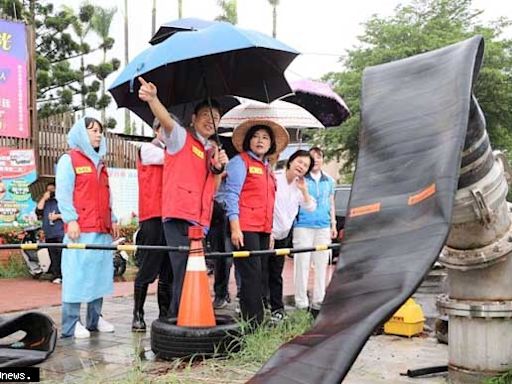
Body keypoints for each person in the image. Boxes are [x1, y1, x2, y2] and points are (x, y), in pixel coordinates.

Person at [138, 77, 228, 317]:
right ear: (193, 119)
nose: (212, 120)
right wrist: (153, 99)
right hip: (179, 215)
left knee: (194, 270)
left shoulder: (212, 150)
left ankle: (188, 315)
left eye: (216, 118)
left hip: (200, 220)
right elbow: (166, 121)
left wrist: (218, 168)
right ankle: (181, 321)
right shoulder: (180, 138)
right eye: (206, 116)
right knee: (183, 270)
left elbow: (214, 189)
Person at [220, 119, 289, 326]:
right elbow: (231, 196)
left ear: (271, 144)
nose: (260, 141)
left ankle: (256, 319)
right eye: (256, 136)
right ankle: (253, 324)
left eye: (265, 137)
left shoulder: (268, 168)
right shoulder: (239, 162)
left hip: (263, 230)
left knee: (261, 276)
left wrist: (270, 233)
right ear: (249, 141)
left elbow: (270, 203)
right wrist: (235, 228)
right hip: (244, 228)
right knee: (250, 277)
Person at [56, 117, 119, 339]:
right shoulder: (69, 160)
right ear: (81, 134)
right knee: (76, 275)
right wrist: (71, 219)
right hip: (80, 228)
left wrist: (115, 218)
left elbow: (107, 195)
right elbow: (63, 193)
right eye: (92, 130)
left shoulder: (101, 163)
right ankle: (71, 323)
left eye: (100, 131)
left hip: (102, 228)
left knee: (99, 275)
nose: (98, 134)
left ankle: (95, 318)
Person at [132, 119, 172, 332]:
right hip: (152, 216)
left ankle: (164, 313)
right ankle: (138, 313)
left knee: (168, 268)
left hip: (172, 216)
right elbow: (169, 160)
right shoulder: (147, 149)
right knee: (148, 267)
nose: (168, 133)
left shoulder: (173, 153)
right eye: (164, 129)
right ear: (156, 130)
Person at [269, 150, 316, 320]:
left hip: (283, 234)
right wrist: (269, 231)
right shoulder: (275, 177)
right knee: (260, 272)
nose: (301, 166)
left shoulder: (300, 185)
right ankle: (256, 307)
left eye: (305, 165)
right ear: (290, 161)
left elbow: (310, 207)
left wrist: (303, 190)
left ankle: (276, 309)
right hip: (268, 233)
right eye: (299, 162)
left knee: (276, 273)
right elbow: (267, 204)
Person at [292, 147, 337, 311]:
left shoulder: (330, 181)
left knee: (322, 264)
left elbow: (331, 202)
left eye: (319, 157)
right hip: (303, 225)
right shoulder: (301, 179)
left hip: (323, 226)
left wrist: (333, 224)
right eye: (313, 157)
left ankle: (319, 298)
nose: (316, 160)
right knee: (302, 264)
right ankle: (301, 302)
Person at [36, 182, 64, 283]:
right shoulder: (46, 202)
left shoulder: (61, 201)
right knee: (53, 255)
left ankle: (62, 275)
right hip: (49, 232)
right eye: (49, 190)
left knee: (61, 254)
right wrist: (44, 198)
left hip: (60, 232)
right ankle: (56, 275)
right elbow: (38, 211)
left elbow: (69, 214)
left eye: (53, 190)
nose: (51, 192)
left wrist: (58, 216)